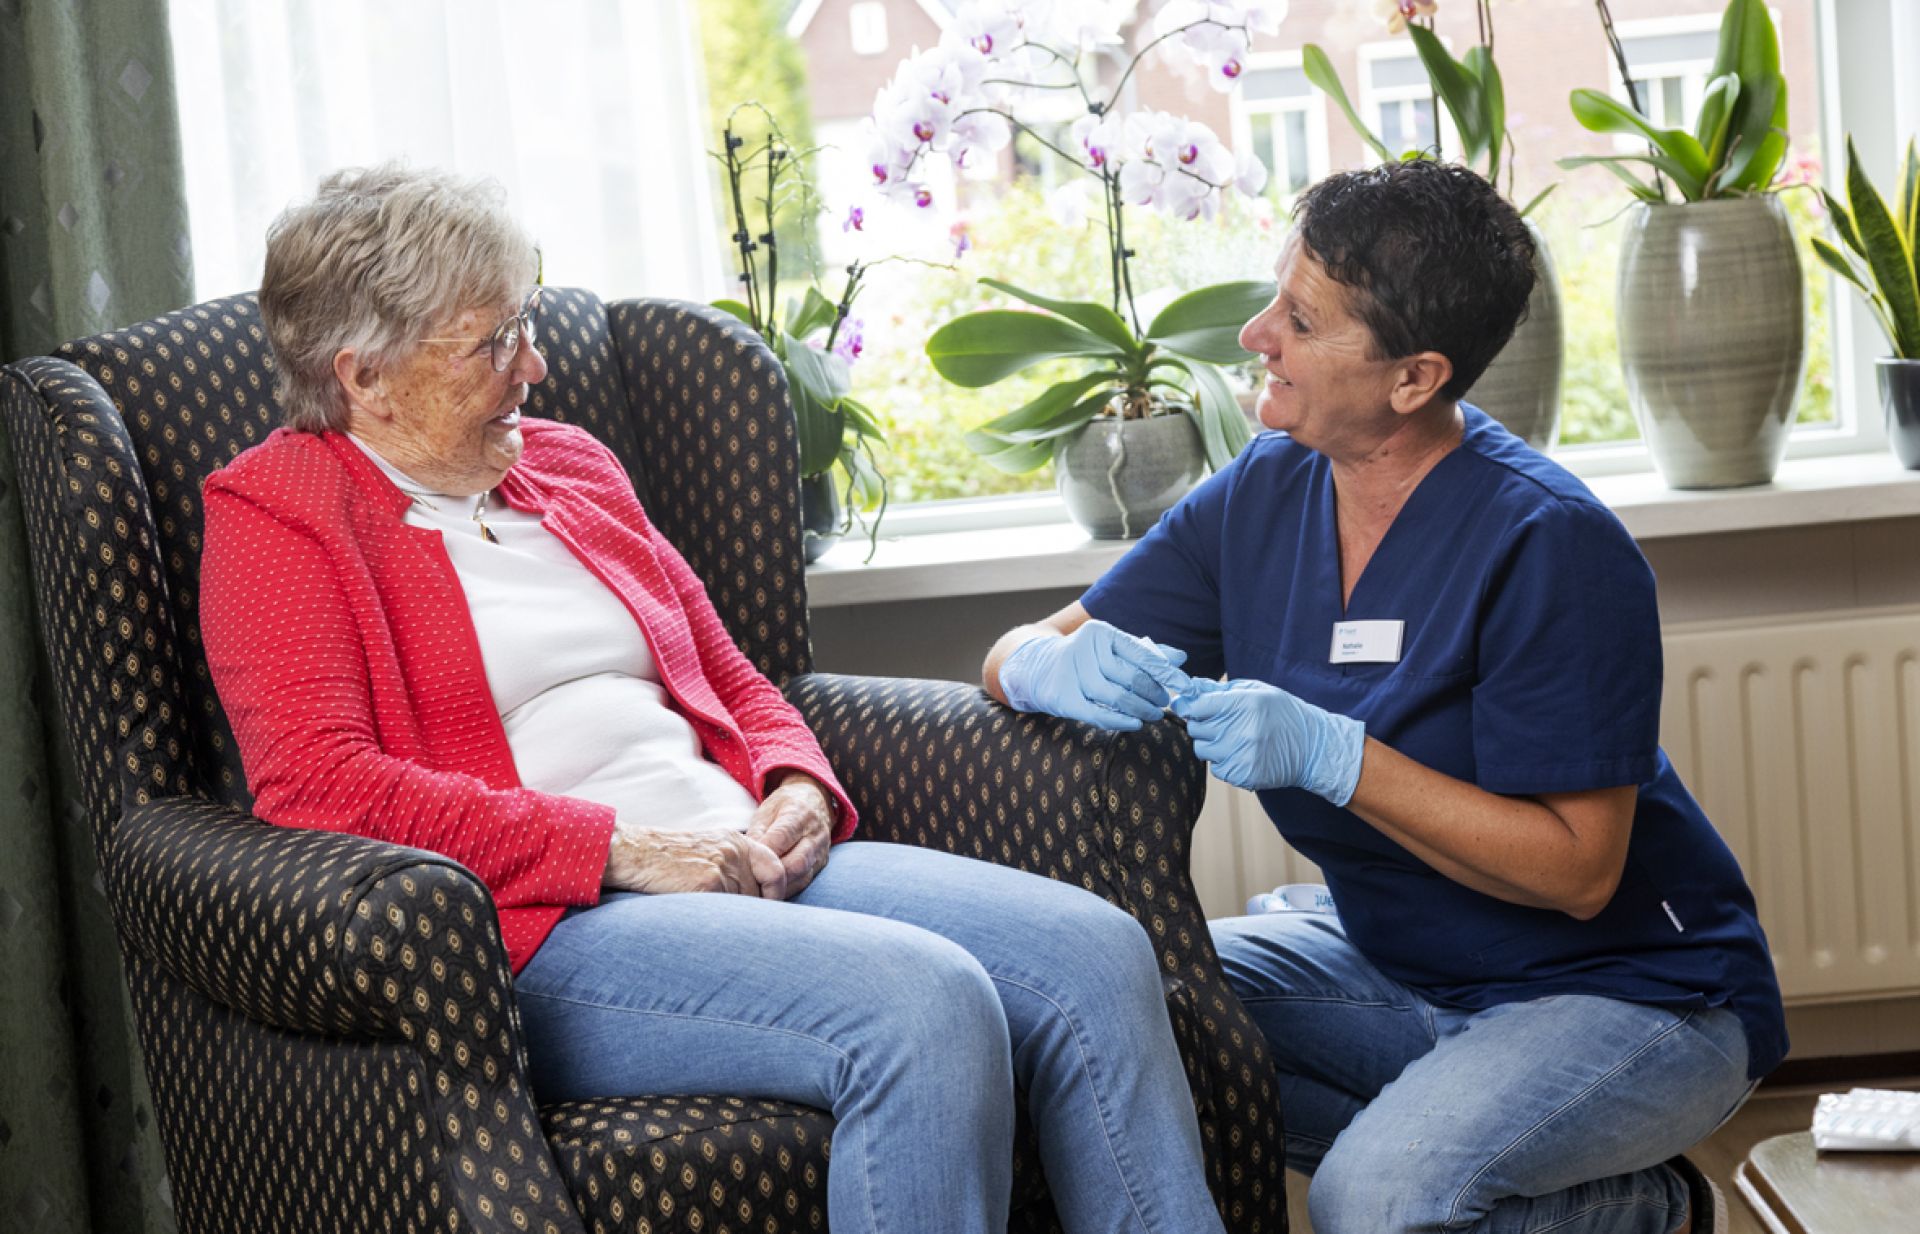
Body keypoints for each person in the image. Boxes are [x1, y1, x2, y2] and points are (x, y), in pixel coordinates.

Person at [198, 164, 1227, 1234]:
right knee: (925, 1006)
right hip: (554, 921)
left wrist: (797, 783)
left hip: (740, 850)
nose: (535, 365)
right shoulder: (279, 517)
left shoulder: (571, 467)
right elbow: (320, 790)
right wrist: (619, 848)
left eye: (529, 322)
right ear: (366, 377)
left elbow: (733, 674)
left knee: (1098, 958)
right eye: (493, 341)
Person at [985, 160, 1786, 1234]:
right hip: (1402, 966)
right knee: (1114, 1005)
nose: (1255, 335)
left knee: (1377, 1196)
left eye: (1303, 320)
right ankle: (1559, 1186)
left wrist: (1337, 755)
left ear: (1414, 379)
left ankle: (1646, 1211)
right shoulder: (1261, 495)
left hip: (1630, 990)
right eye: (1277, 292)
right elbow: (1020, 648)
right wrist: (1041, 665)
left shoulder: (1550, 543)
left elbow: (1582, 872)